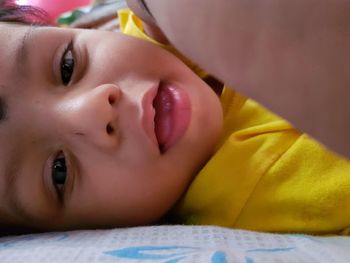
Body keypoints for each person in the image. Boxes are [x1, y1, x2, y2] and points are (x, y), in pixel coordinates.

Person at [0, 0, 349, 235]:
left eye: (66, 65)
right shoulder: (269, 204)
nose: (92, 110)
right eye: (59, 172)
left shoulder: (158, 26)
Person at [127, 0, 350, 159]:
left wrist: (148, 8)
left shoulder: (146, 48)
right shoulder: (248, 206)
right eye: (88, 178)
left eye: (89, 61)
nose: (97, 107)